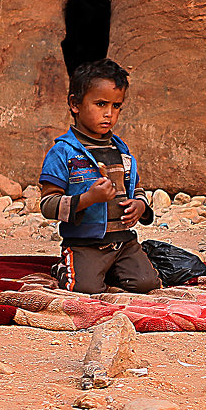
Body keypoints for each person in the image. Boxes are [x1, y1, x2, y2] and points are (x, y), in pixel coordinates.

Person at [38, 58, 160, 294]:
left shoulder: (121, 151)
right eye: (101, 104)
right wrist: (88, 199)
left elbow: (137, 189)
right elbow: (47, 204)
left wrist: (140, 206)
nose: (109, 114)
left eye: (116, 106)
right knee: (86, 289)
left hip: (124, 242)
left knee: (147, 284)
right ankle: (64, 268)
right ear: (75, 104)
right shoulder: (63, 152)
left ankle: (111, 268)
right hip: (86, 244)